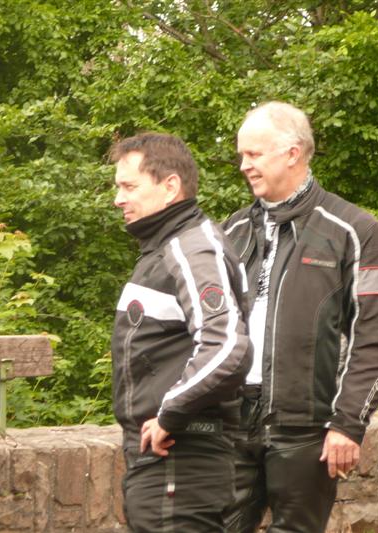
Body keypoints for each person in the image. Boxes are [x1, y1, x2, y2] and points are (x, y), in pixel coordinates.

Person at [223, 101, 378, 532]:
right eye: (242, 155)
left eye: (254, 154)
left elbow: (376, 339)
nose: (244, 165)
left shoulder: (356, 231)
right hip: (229, 421)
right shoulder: (231, 231)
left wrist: (348, 423)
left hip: (308, 427)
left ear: (292, 153)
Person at [110, 132, 252, 532]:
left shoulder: (191, 248)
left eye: (129, 187)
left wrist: (170, 413)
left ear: (170, 186)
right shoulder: (164, 248)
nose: (118, 199)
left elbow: (227, 346)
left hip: (182, 457)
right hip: (167, 458)